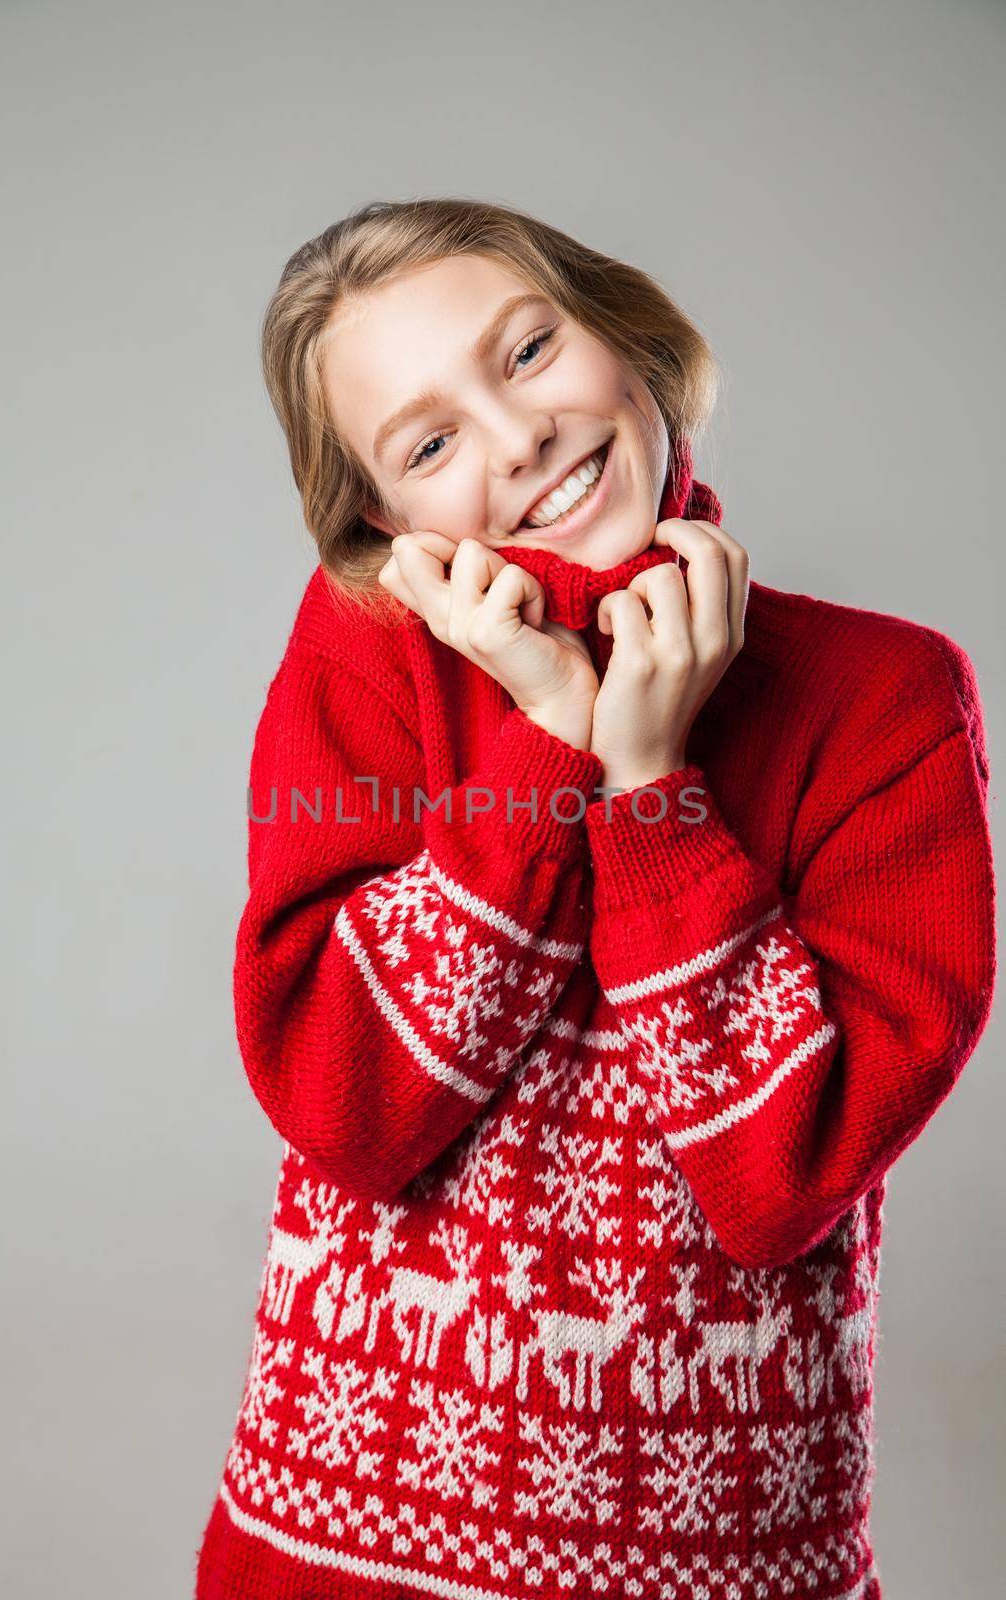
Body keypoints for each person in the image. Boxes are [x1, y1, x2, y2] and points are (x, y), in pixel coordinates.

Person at [194, 198, 995, 1600]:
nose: (520, 440)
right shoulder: (368, 654)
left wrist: (645, 780)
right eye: (429, 442)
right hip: (339, 1558)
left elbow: (777, 1183)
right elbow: (351, 1108)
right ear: (387, 516)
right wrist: (548, 739)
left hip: (721, 1559)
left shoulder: (887, 703)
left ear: (623, 335)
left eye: (528, 352)